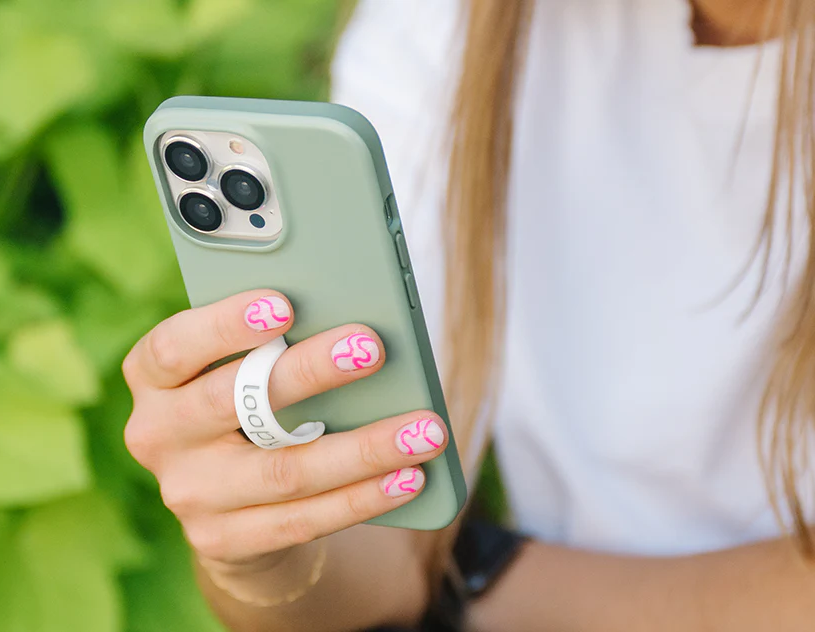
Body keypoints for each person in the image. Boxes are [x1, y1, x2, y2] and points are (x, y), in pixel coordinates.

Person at [120, 1, 815, 630]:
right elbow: (389, 555)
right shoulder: (443, 28)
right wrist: (268, 549)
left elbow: (418, 578)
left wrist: (472, 584)